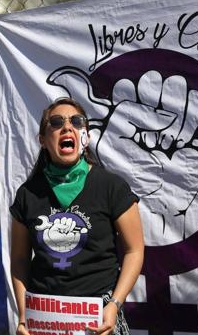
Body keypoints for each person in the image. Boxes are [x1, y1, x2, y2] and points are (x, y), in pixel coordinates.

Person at [10, 97, 144, 335]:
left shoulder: (111, 186)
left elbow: (135, 251)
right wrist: (23, 315)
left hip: (100, 318)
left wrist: (114, 304)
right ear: (43, 140)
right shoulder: (27, 194)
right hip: (45, 319)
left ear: (86, 136)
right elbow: (20, 260)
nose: (67, 126)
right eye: (56, 122)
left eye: (76, 121)